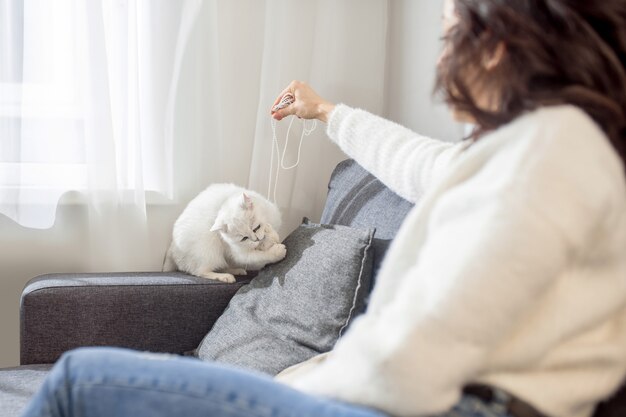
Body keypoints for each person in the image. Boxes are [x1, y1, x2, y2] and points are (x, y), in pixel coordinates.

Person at [21, 1, 626, 417]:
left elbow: (414, 356)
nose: (442, 61)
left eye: (447, 37)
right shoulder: (537, 150)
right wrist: (327, 112)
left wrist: (298, 389)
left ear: (494, 47)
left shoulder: (550, 153)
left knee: (81, 382)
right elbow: (416, 161)